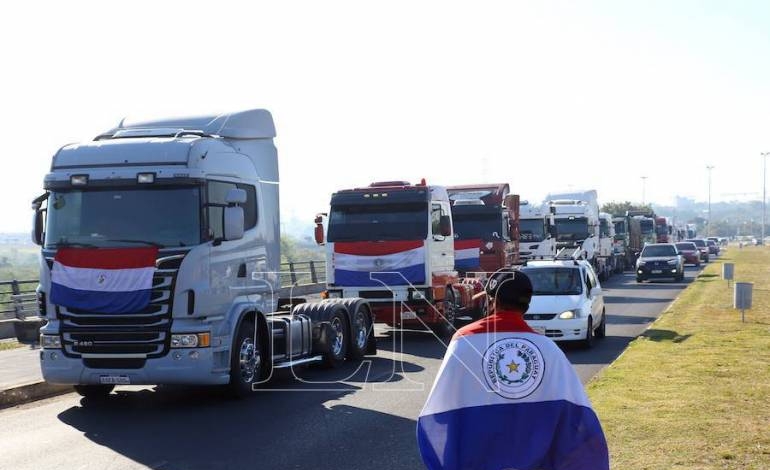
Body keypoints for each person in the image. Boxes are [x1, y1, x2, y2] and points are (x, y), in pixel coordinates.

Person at [417, 269, 610, 470]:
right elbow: (574, 417)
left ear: (492, 301)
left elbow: (439, 413)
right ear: (527, 304)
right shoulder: (549, 349)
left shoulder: (464, 342)